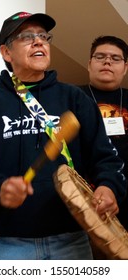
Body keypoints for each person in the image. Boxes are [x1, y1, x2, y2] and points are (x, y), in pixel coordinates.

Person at [0, 12, 126, 260]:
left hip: (72, 241)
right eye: (27, 37)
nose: (39, 42)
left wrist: (108, 187)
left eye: (43, 36)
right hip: (8, 244)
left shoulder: (75, 99)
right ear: (6, 53)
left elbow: (107, 158)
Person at [80, 35, 128, 258]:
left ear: (125, 67)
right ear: (90, 63)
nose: (107, 62)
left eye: (115, 58)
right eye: (100, 56)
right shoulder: (71, 97)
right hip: (83, 205)